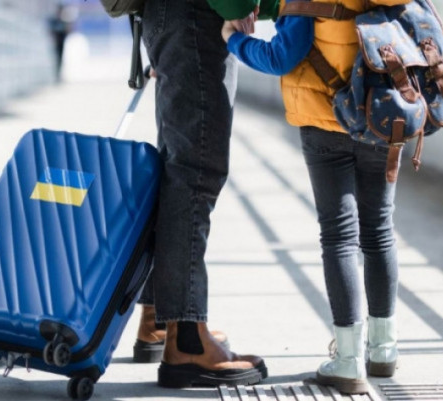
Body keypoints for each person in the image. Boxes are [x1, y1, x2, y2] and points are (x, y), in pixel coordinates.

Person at [222, 0, 410, 394]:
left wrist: (234, 40)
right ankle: (384, 349)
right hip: (382, 115)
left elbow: (281, 57)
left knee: (339, 236)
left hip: (325, 118)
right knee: (379, 230)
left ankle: (348, 360)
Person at [131, 0, 278, 388]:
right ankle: (187, 342)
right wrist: (240, 4)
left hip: (172, 16)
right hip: (197, 18)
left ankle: (159, 320)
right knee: (194, 174)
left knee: (176, 170)